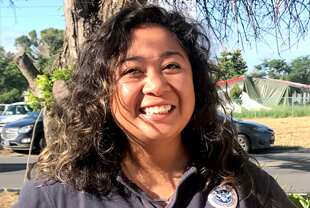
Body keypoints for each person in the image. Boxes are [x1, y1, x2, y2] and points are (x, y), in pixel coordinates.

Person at [14, 4, 296, 208]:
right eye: (132, 71)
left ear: (195, 83)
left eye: (171, 66)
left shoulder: (249, 187)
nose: (157, 85)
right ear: (103, 92)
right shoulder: (54, 196)